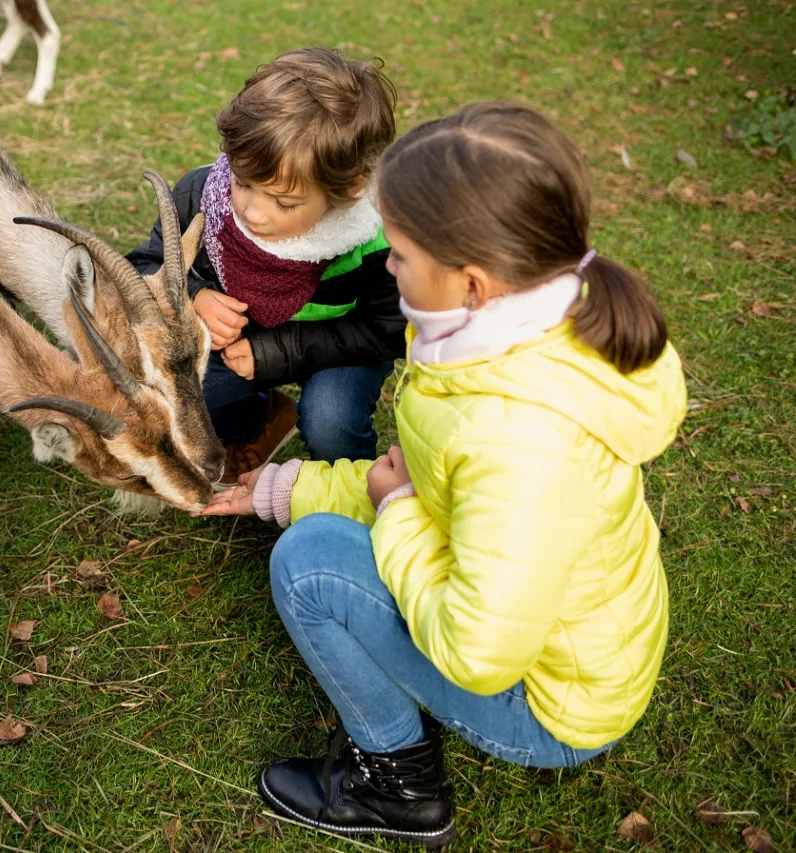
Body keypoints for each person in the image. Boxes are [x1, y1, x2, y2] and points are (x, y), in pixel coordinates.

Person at [196, 101, 688, 847]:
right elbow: (435, 491)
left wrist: (392, 514)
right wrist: (281, 488)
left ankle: (397, 782)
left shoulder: (518, 437)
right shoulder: (521, 331)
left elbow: (478, 652)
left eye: (398, 255)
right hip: (572, 653)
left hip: (545, 703)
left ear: (472, 282)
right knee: (311, 530)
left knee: (307, 566)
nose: (386, 267)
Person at [126, 47, 406, 481]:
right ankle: (260, 421)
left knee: (332, 422)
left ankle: (349, 490)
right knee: (180, 402)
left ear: (351, 189)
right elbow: (143, 266)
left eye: (284, 202)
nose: (253, 212)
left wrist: (278, 353)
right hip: (237, 349)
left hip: (343, 348)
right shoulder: (202, 196)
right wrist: (194, 295)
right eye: (243, 182)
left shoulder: (377, 239)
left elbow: (387, 330)